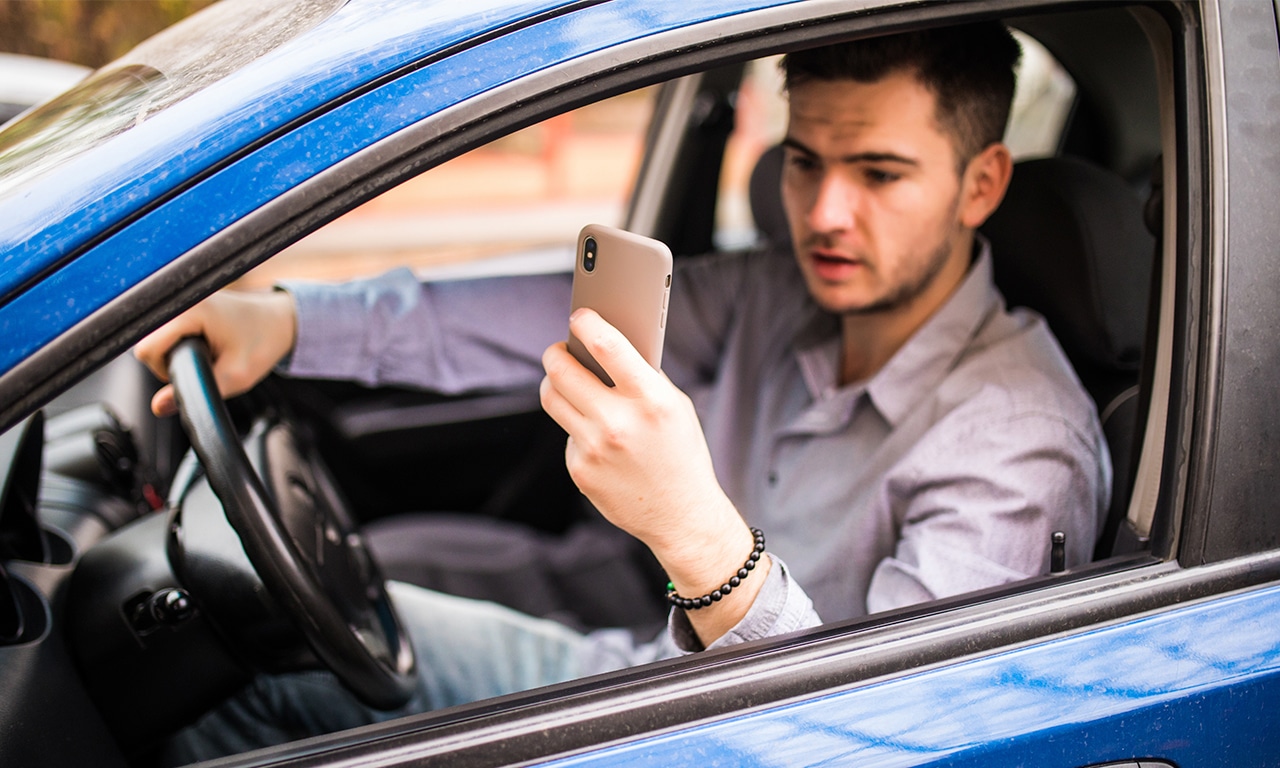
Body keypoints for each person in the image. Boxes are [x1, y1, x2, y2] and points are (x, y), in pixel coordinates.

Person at [136, 22, 1109, 760]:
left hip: (706, 728)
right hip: (643, 642)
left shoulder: (1016, 446)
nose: (823, 213)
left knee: (250, 672)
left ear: (980, 185)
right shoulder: (784, 294)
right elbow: (528, 315)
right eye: (804, 162)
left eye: (879, 174)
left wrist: (697, 537)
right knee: (286, 622)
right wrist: (290, 323)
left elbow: (896, 740)